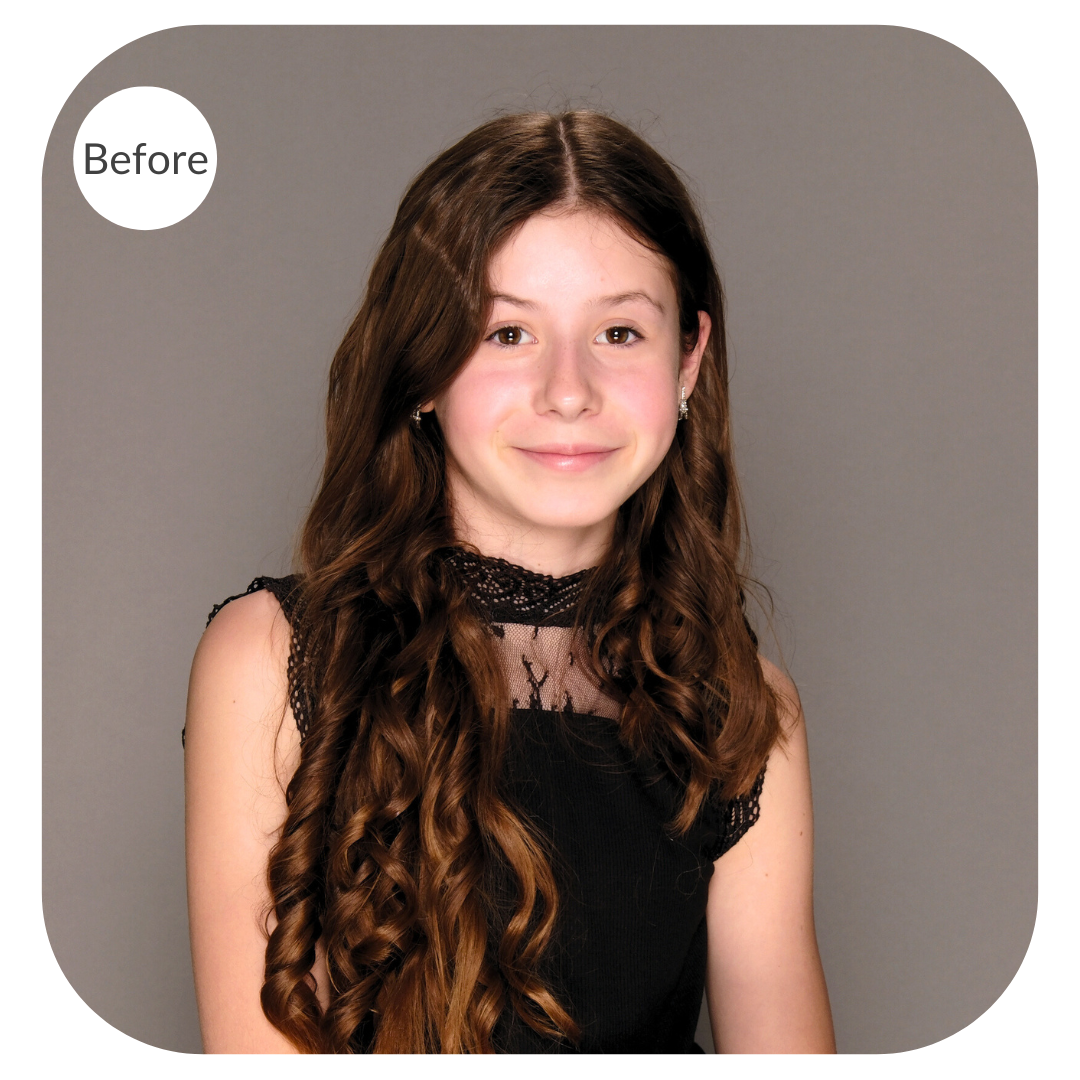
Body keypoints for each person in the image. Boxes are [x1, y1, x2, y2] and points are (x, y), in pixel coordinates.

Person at [184, 111, 835, 1054]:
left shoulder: (742, 707)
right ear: (420, 371)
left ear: (688, 359)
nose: (567, 391)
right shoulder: (273, 659)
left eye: (618, 330)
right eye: (506, 334)